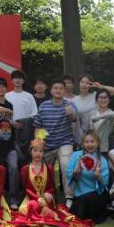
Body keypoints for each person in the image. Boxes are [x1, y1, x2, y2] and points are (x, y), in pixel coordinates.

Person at [17, 130, 92, 227]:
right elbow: (26, 189)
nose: (38, 154)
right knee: (31, 205)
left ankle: (45, 212)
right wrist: (37, 198)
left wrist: (48, 193)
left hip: (46, 199)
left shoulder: (49, 168)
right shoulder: (25, 169)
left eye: (41, 151)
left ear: (44, 153)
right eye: (35, 151)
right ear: (30, 152)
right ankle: (45, 213)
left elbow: (52, 187)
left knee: (40, 206)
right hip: (32, 198)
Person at [33, 78, 77, 208]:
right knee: (44, 170)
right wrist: (38, 143)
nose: (58, 90)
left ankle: (69, 197)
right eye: (55, 88)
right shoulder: (44, 106)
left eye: (61, 88)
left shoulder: (69, 105)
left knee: (66, 165)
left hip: (65, 142)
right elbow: (37, 126)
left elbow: (74, 119)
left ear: (64, 91)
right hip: (47, 144)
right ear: (51, 91)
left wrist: (71, 114)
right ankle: (45, 194)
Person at [0, 78, 21, 209]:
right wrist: (8, 111)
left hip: (9, 143)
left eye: (3, 86)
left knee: (13, 167)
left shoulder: (9, 104)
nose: (1, 88)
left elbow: (8, 121)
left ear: (6, 89)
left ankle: (13, 198)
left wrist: (13, 123)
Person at [66, 131, 110, 223]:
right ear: (83, 143)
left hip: (97, 193)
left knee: (88, 199)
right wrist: (76, 171)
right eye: (87, 142)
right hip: (80, 193)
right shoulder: (76, 155)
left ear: (98, 143)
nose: (89, 144)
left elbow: (105, 183)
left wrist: (98, 176)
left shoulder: (102, 160)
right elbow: (68, 173)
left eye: (92, 141)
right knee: (83, 200)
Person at [72, 74, 114, 145]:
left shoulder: (95, 95)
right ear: (79, 83)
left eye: (87, 83)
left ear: (91, 85)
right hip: (84, 133)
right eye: (82, 82)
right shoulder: (74, 100)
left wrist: (101, 86)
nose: (84, 84)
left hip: (100, 131)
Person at [5, 69, 38, 162]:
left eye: (20, 78)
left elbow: (34, 114)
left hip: (25, 131)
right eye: (15, 78)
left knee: (26, 157)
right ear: (12, 81)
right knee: (13, 158)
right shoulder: (6, 96)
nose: (17, 80)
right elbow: (3, 114)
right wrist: (11, 122)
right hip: (10, 130)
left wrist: (24, 123)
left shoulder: (29, 96)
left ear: (23, 81)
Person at [89, 89, 114, 155]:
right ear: (97, 100)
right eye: (101, 98)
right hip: (93, 147)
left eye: (105, 98)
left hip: (107, 147)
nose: (103, 100)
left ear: (109, 100)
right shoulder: (93, 113)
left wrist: (98, 118)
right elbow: (91, 130)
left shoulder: (111, 113)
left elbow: (112, 115)